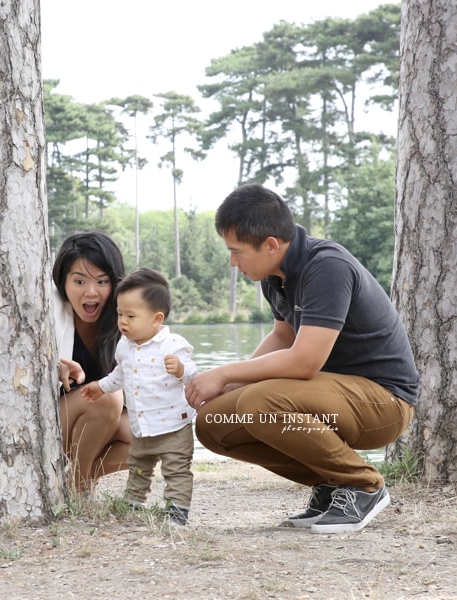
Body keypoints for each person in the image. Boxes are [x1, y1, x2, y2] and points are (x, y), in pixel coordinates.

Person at [186, 183, 419, 534]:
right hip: (328, 396)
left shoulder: (327, 267)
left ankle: (363, 486)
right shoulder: (274, 275)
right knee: (214, 422)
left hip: (383, 402)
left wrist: (225, 372)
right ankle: (331, 485)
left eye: (237, 252)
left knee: (257, 402)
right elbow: (283, 335)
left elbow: (304, 361)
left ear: (270, 245)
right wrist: (227, 385)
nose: (232, 263)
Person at [81, 268, 198, 525]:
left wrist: (180, 369)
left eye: (131, 316)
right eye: (120, 314)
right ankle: (133, 503)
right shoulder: (124, 346)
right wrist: (101, 387)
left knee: (176, 469)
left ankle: (177, 511)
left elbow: (193, 373)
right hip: (142, 424)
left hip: (173, 425)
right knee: (138, 467)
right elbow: (119, 376)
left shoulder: (172, 344)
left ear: (156, 319)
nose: (123, 321)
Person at [53, 232, 132, 492]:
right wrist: (52, 367)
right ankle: (81, 486)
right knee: (105, 396)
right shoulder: (47, 313)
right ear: (62, 282)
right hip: (50, 429)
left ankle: (78, 477)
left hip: (94, 430)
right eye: (79, 281)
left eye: (101, 281)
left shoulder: (125, 321)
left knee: (151, 437)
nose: (90, 292)